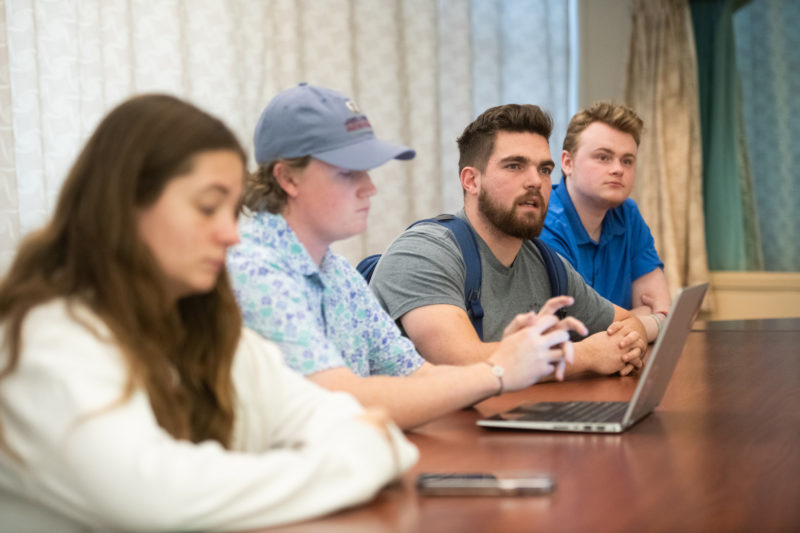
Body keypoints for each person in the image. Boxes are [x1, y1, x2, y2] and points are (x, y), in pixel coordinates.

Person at [0, 94, 418, 532]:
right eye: (206, 207)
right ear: (124, 206)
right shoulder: (45, 339)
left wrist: (368, 445)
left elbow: (370, 430)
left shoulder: (205, 329)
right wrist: (358, 458)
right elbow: (159, 499)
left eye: (231, 210)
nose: (230, 234)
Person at [227, 83, 587, 431]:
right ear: (288, 178)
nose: (370, 188)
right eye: (348, 173)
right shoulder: (255, 269)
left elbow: (419, 376)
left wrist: (505, 355)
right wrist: (496, 372)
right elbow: (338, 402)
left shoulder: (338, 274)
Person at [369, 103, 651, 377]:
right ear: (471, 181)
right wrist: (588, 355)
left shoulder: (546, 263)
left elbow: (627, 322)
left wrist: (629, 340)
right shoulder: (422, 252)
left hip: (510, 420)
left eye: (543, 169)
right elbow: (460, 363)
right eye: (515, 166)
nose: (535, 181)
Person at [540, 102, 670, 338]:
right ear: (567, 163)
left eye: (627, 160)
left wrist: (648, 321)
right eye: (603, 157)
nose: (618, 169)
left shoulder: (628, 214)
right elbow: (575, 331)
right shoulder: (543, 221)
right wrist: (643, 320)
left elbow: (662, 309)